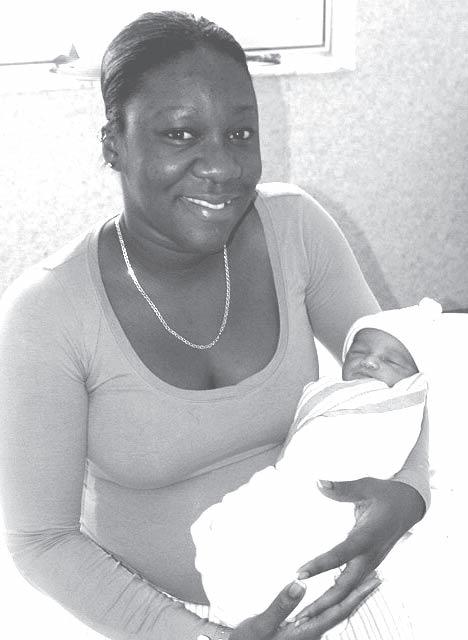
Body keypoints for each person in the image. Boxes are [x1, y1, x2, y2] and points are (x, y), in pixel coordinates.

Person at [0, 11, 429, 640]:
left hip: (324, 587)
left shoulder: (296, 229)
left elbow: (399, 371)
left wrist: (408, 496)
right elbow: (40, 539)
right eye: (180, 134)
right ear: (113, 143)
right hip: (152, 617)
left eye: (240, 133)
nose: (223, 167)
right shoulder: (47, 312)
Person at [191, 299, 442, 635]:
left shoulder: (394, 397)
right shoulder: (330, 391)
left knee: (304, 558)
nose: (369, 360)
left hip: (330, 506)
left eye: (392, 361)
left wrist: (410, 496)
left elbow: (415, 405)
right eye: (358, 352)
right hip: (171, 605)